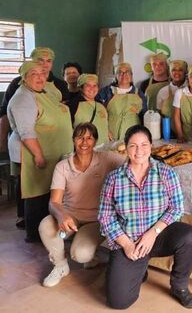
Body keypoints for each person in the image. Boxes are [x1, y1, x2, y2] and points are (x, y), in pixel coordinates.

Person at [98, 125, 192, 309]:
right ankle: (138, 268)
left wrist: (153, 233)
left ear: (151, 146)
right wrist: (127, 244)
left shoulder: (165, 172)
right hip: (128, 239)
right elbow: (105, 217)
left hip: (159, 235)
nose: (139, 151)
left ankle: (180, 287)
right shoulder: (113, 179)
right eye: (133, 146)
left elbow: (177, 207)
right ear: (126, 148)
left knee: (190, 236)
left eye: (144, 145)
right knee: (118, 302)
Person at [39, 123, 124, 287]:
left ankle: (91, 254)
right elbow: (54, 202)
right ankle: (60, 265)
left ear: (96, 141)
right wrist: (61, 215)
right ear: (73, 140)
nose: (84, 142)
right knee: (45, 226)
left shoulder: (106, 158)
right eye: (79, 137)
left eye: (89, 138)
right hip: (71, 217)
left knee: (80, 255)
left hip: (96, 219)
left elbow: (133, 161)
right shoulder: (62, 166)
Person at [7, 61, 73, 242]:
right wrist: (38, 155)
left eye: (42, 73)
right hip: (34, 153)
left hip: (51, 151)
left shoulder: (41, 93)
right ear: (24, 77)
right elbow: (26, 131)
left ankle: (48, 231)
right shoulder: (23, 98)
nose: (40, 77)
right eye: (34, 74)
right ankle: (35, 235)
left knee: (47, 191)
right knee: (36, 192)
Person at [98, 62, 147, 140]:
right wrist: (105, 130)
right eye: (120, 72)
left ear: (131, 75)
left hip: (133, 134)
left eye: (127, 72)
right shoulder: (106, 92)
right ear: (116, 76)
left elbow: (144, 115)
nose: (124, 75)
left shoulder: (139, 93)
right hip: (111, 135)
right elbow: (99, 114)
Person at [67, 74, 110, 145]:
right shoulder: (73, 105)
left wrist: (107, 131)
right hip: (84, 149)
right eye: (88, 85)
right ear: (81, 87)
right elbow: (67, 129)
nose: (92, 88)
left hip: (104, 149)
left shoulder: (100, 105)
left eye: (94, 85)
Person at [157, 59, 188, 138]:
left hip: (190, 132)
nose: (176, 73)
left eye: (180, 70)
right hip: (169, 133)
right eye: (173, 70)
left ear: (185, 72)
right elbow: (159, 115)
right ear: (169, 72)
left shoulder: (191, 89)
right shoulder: (163, 91)